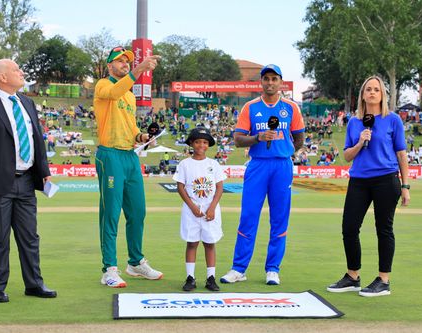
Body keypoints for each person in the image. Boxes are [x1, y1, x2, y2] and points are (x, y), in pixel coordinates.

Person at [0, 59, 56, 303]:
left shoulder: (27, 102)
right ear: (2, 77)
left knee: (30, 237)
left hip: (26, 181)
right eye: (16, 70)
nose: (21, 72)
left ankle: (34, 284)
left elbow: (37, 139)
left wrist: (44, 171)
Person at [220, 64, 305, 285]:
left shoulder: (291, 108)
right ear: (261, 82)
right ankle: (239, 268)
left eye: (274, 79)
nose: (270, 82)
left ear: (280, 82)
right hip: (257, 165)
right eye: (266, 78)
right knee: (248, 216)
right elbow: (238, 140)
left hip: (282, 167)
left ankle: (273, 269)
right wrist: (258, 138)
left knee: (279, 218)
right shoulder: (250, 107)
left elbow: (299, 139)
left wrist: (284, 151)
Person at [327, 75, 410, 297]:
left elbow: (402, 154)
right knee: (349, 228)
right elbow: (346, 156)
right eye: (368, 89)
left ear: (382, 94)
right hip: (359, 181)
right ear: (363, 94)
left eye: (376, 89)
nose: (372, 92)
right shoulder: (354, 122)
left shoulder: (393, 120)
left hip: (386, 180)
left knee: (384, 229)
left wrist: (406, 185)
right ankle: (352, 276)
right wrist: (360, 142)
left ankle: (383, 280)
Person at [93, 46, 163, 288]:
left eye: (128, 61)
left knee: (138, 212)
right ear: (109, 65)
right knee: (111, 213)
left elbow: (131, 127)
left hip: (130, 156)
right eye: (120, 61)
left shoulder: (130, 95)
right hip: (110, 154)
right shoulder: (103, 85)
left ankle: (135, 263)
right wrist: (140, 69)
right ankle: (109, 269)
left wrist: (142, 137)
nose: (125, 64)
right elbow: (113, 93)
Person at [173, 127, 226, 292]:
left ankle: (211, 277)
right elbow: (180, 187)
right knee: (192, 243)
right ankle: (190, 277)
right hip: (192, 210)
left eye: (204, 142)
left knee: (210, 243)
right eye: (197, 142)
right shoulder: (185, 164)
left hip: (211, 211)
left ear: (208, 145)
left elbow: (219, 188)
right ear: (191, 143)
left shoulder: (213, 164)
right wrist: (192, 206)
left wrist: (212, 207)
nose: (201, 145)